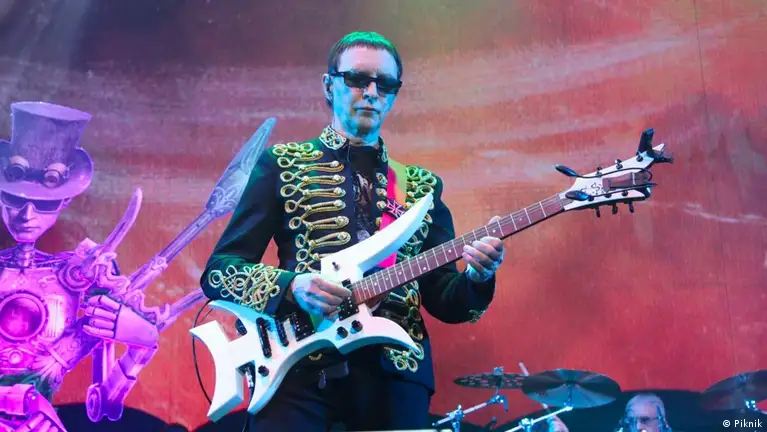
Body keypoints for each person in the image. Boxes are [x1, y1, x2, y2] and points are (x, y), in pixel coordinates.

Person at [199, 31, 506, 431]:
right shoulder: (283, 163)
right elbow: (220, 272)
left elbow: (446, 301)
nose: (372, 92)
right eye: (358, 79)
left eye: (385, 84)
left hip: (394, 376)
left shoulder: (422, 188)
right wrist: (292, 286)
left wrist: (479, 277)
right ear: (329, 85)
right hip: (296, 371)